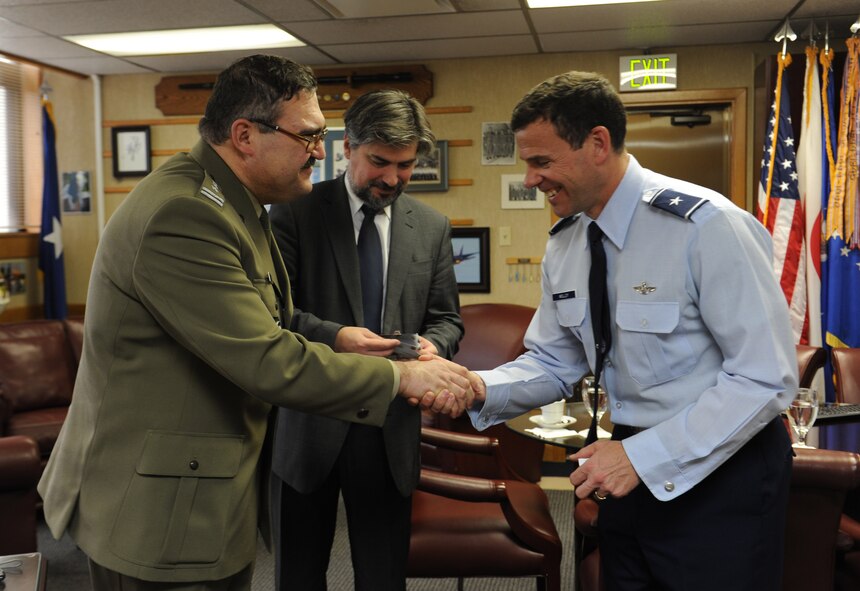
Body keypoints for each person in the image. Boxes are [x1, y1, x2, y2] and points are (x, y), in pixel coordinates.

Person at [37, 55, 481, 591]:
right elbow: (266, 356)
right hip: (159, 509)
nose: (321, 152)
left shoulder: (237, 204)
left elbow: (275, 316)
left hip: (204, 488)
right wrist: (401, 376)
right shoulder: (188, 214)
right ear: (245, 135)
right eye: (309, 136)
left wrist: (339, 335)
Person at [468, 71, 798, 590]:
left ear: (598, 143)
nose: (530, 179)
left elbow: (764, 379)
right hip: (623, 468)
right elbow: (555, 361)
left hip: (720, 476)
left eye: (541, 161)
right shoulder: (566, 242)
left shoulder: (707, 226)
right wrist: (476, 386)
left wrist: (642, 459)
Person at [267, 89, 463, 591]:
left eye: (405, 165)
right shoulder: (294, 213)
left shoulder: (432, 228)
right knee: (298, 574)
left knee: (382, 577)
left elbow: (447, 319)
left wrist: (434, 347)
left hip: (389, 428)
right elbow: (276, 317)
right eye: (379, 162)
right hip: (311, 422)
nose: (392, 178)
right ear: (347, 146)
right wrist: (337, 337)